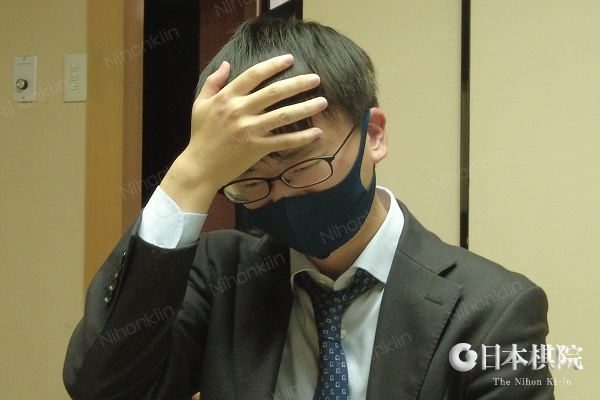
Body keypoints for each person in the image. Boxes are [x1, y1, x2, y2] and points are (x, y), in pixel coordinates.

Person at [63, 17, 553, 400]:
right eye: (251, 181)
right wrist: (191, 173)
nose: (282, 196)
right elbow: (105, 387)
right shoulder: (220, 276)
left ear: (373, 135)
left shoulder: (494, 309)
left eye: (303, 166)